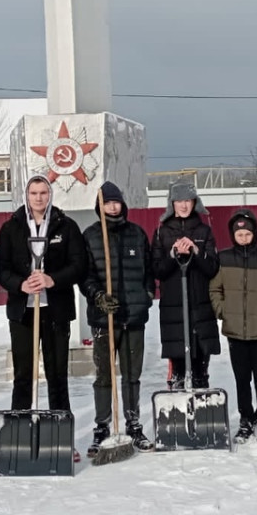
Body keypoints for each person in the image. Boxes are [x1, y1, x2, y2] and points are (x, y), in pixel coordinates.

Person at [0, 175, 88, 462]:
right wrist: (19, 284)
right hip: (24, 311)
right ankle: (18, 438)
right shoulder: (12, 227)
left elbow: (79, 265)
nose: (38, 198)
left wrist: (52, 279)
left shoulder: (66, 226)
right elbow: (1, 268)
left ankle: (62, 438)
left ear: (50, 195)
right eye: (34, 193)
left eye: (43, 193)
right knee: (23, 375)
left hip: (55, 310)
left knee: (57, 374)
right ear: (27, 195)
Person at [80, 181, 154, 455]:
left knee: (132, 374)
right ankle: (102, 425)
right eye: (107, 202)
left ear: (122, 203)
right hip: (104, 320)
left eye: (116, 201)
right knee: (104, 375)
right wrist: (98, 296)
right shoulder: (90, 236)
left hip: (133, 316)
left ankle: (133, 424)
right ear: (99, 206)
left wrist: (146, 294)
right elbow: (84, 276)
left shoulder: (137, 234)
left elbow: (148, 271)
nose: (112, 207)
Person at [210, 209, 257, 445]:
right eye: (239, 233)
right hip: (235, 331)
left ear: (255, 233)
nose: (244, 237)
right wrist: (222, 311)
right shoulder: (223, 259)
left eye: (247, 233)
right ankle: (246, 418)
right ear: (233, 235)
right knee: (241, 378)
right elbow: (215, 289)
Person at [152, 182, 220, 389]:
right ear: (172, 203)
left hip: (200, 306)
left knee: (200, 366)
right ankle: (178, 408)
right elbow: (157, 270)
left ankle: (202, 408)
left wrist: (196, 252)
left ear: (195, 203)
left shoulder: (204, 230)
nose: (183, 206)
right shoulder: (162, 233)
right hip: (174, 307)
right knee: (178, 368)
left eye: (188, 201)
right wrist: (173, 255)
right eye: (179, 201)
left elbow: (212, 268)